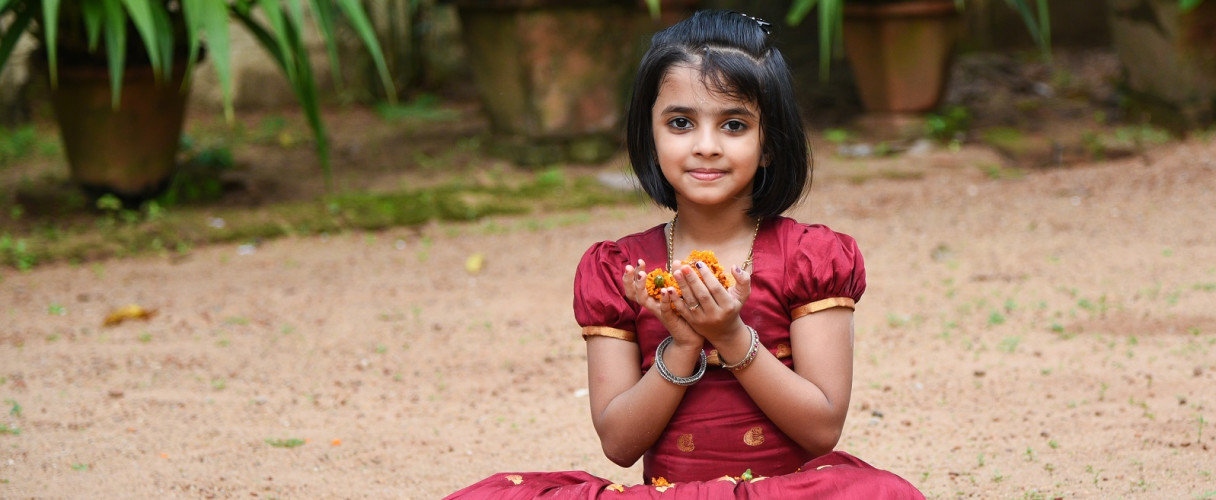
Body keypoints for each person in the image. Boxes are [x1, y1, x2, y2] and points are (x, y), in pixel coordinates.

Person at [446, 10, 923, 499]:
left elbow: (822, 430)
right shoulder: (620, 270)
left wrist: (731, 335)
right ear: (650, 138)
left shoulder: (810, 258)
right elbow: (618, 442)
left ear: (769, 145)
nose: (706, 146)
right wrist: (682, 344)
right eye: (680, 123)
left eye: (734, 124)